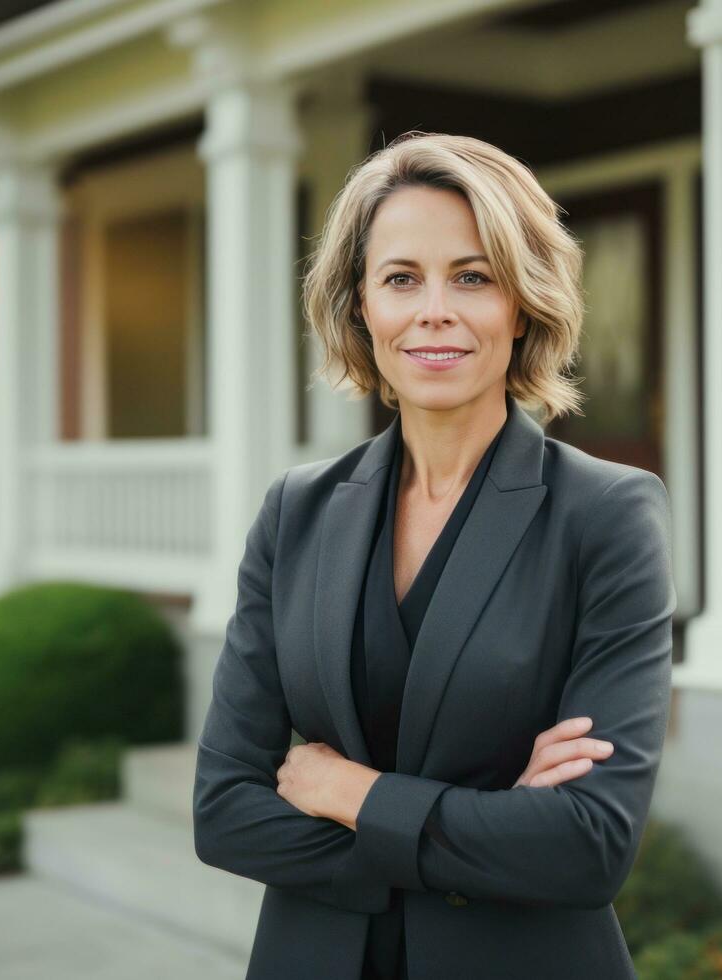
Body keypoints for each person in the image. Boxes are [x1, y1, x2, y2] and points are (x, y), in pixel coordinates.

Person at [192, 131, 676, 980]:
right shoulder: (294, 513)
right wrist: (486, 830)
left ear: (521, 304)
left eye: (473, 276)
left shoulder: (607, 514)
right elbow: (224, 812)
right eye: (401, 279)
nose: (434, 310)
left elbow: (587, 846)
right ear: (360, 309)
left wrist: (349, 794)